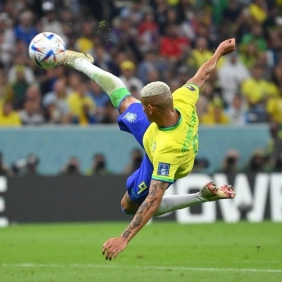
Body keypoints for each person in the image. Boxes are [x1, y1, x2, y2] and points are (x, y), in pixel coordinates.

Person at [60, 38, 236, 260]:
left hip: (163, 152)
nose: (140, 107)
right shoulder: (181, 98)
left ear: (150, 108)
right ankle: (81, 63)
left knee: (129, 205)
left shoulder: (167, 153)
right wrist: (218, 52)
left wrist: (124, 238)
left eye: (143, 106)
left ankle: (200, 196)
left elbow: (153, 201)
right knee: (122, 99)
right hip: (155, 130)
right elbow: (203, 75)